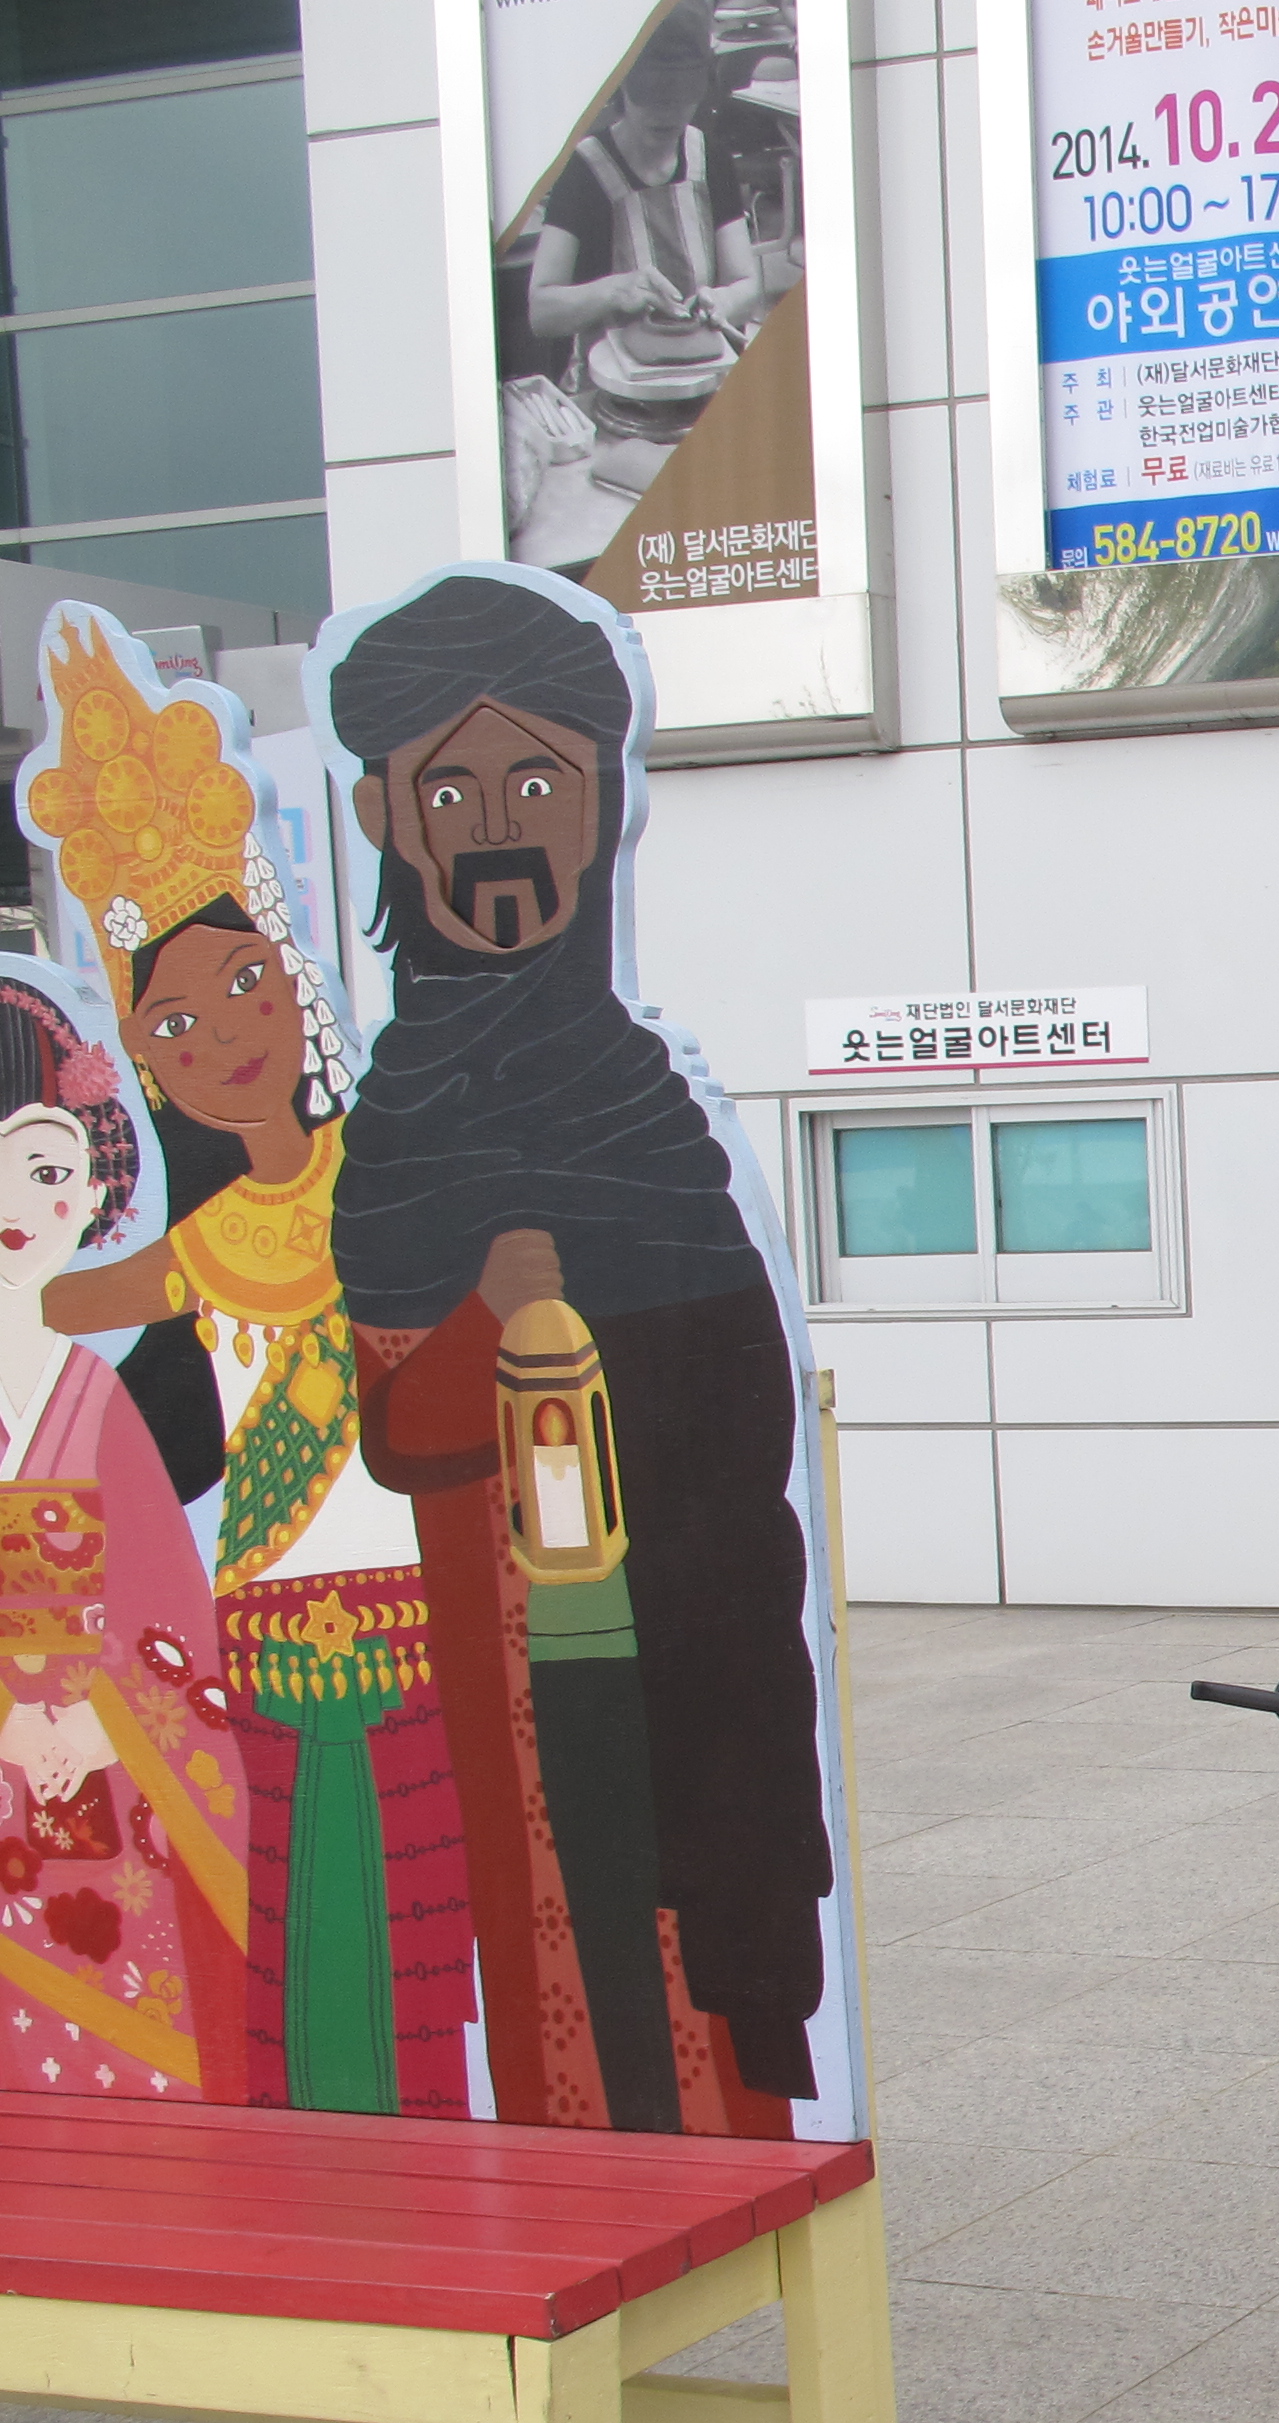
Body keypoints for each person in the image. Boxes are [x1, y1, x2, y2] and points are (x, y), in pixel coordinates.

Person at [322, 568, 830, 2134]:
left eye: (537, 778)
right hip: (526, 1661)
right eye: (454, 782)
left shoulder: (642, 1094)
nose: (499, 823)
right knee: (578, 1990)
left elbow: (749, 1397)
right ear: (389, 822)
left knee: (708, 2010)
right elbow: (401, 1429)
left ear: (605, 801)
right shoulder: (407, 1115)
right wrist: (488, 1322)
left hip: (703, 1648)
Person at [25, 617, 472, 2114]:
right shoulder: (193, 1253)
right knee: (290, 1907)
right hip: (261, 1627)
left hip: (422, 1607)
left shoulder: (396, 1179)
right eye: (170, 1021)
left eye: (241, 990)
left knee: (425, 1899)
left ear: (291, 988)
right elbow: (57, 1303)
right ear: (144, 1064)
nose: (216, 1034)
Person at [0, 977, 248, 2101]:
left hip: (89, 1783)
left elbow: (169, 1623)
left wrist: (94, 1723)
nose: (18, 1200)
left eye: (46, 1167)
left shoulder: (98, 1400)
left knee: (102, 2062)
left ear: (98, 1184)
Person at [522, 9, 784, 510]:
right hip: (615, 409)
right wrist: (615, 290)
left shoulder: (709, 154)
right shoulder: (583, 169)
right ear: (622, 89)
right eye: (652, 102)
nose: (667, 118)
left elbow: (747, 280)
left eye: (680, 102)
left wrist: (721, 298)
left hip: (703, 399)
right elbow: (541, 310)